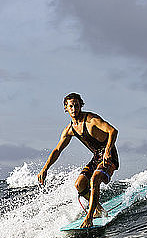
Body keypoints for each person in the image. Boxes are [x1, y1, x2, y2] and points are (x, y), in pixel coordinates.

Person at [38, 93, 119, 228]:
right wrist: (45, 168)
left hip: (109, 156)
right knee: (79, 185)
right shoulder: (69, 129)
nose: (74, 108)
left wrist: (108, 150)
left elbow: (113, 131)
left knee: (95, 179)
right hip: (96, 157)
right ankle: (99, 210)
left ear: (80, 105)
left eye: (76, 105)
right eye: (71, 106)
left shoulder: (91, 120)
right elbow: (57, 150)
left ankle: (89, 216)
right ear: (66, 108)